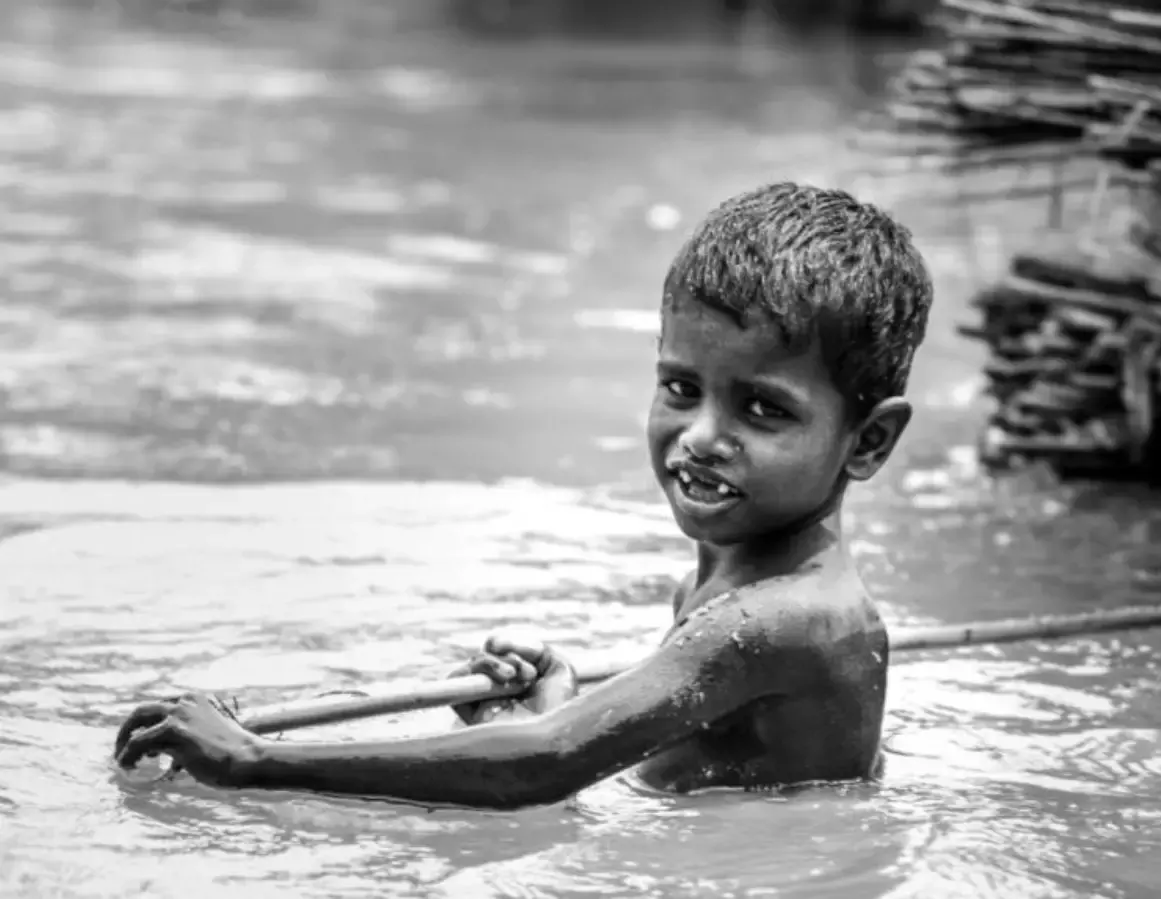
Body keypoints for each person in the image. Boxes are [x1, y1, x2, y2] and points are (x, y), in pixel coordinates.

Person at [113, 182, 935, 809]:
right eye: (682, 388)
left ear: (869, 441)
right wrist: (560, 709)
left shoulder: (779, 620)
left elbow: (544, 766)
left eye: (764, 410)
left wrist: (253, 761)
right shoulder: (738, 586)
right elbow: (664, 761)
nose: (702, 436)